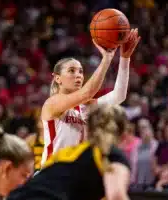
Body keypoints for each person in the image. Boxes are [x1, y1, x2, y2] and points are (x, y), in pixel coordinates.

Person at [40, 29, 140, 164]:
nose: (78, 75)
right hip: (51, 173)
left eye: (80, 71)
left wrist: (125, 58)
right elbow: (88, 92)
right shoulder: (52, 103)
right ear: (58, 78)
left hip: (73, 175)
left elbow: (119, 96)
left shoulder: (84, 107)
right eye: (71, 71)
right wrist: (107, 58)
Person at [7, 104, 131, 200]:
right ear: (125, 134)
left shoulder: (68, 153)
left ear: (87, 129)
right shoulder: (110, 153)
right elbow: (116, 196)